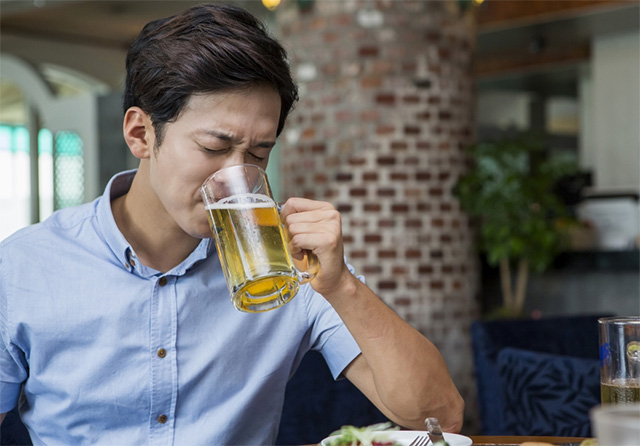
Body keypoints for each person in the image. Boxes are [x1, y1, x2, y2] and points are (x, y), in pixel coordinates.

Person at [0, 3, 464, 444]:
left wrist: (342, 287)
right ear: (141, 133)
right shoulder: (24, 268)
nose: (236, 179)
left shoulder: (288, 267)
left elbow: (439, 417)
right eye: (215, 148)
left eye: (259, 153)